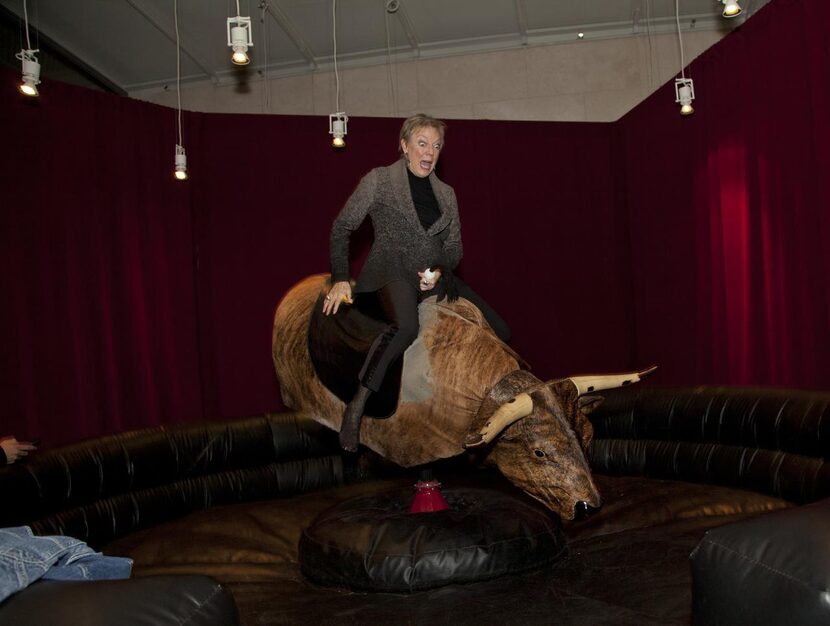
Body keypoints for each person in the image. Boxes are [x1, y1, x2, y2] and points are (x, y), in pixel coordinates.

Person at [323, 113, 511, 452]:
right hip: (390, 270)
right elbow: (342, 228)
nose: (430, 152)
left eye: (436, 146)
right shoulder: (379, 180)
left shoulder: (446, 193)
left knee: (501, 329)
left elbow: (454, 249)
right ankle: (358, 405)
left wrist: (439, 270)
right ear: (404, 146)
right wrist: (339, 278)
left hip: (433, 275)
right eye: (422, 143)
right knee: (407, 326)